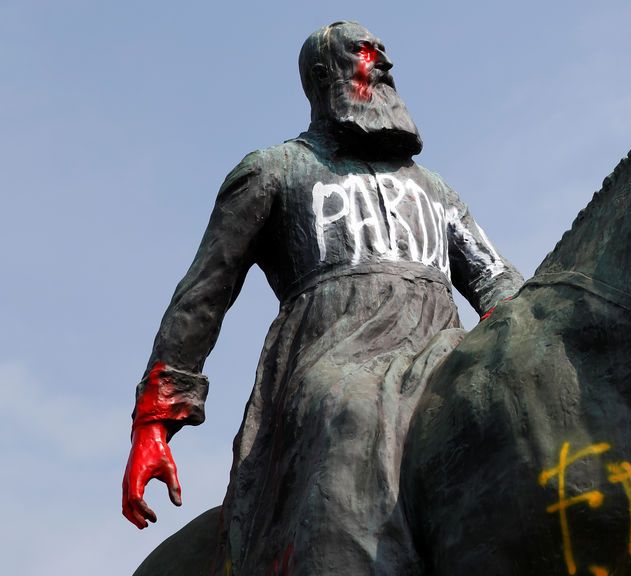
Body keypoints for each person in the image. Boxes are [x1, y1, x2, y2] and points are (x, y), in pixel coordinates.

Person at [122, 21, 523, 575]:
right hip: (335, 365)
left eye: (384, 53)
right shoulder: (275, 171)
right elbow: (204, 292)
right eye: (364, 52)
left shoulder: (434, 189)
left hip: (440, 359)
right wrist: (154, 423)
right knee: (348, 413)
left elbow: (498, 284)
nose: (383, 63)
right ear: (322, 75)